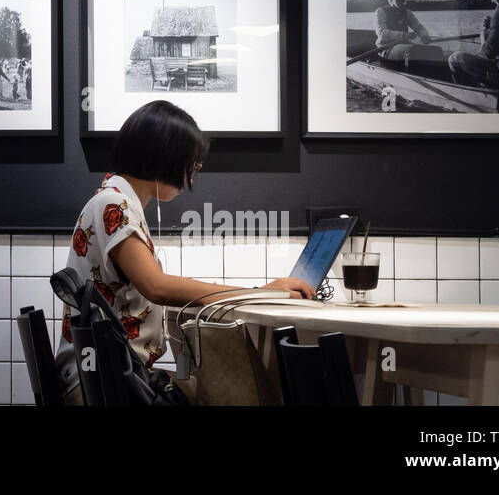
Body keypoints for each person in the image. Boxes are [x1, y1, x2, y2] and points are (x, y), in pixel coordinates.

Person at [55, 101, 314, 405]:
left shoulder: (113, 200)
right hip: (102, 384)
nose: (191, 179)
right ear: (162, 159)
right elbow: (157, 286)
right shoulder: (113, 206)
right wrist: (256, 292)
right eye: (190, 166)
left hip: (106, 375)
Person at [373, 0, 433, 64]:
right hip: (386, 48)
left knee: (434, 50)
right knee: (412, 51)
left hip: (403, 46)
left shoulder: (407, 13)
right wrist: (404, 35)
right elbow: (382, 33)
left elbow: (418, 26)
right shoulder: (381, 11)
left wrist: (424, 35)